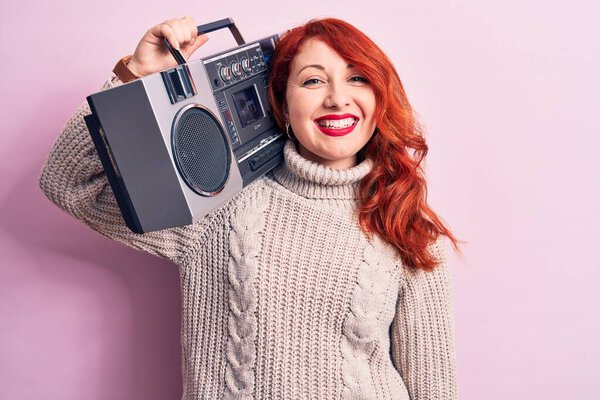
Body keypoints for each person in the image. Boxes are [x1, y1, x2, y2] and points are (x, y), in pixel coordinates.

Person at [39, 16, 462, 400]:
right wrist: (136, 75)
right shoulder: (218, 204)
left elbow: (434, 389)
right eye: (313, 81)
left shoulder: (407, 225)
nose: (337, 98)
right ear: (282, 102)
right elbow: (70, 182)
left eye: (358, 79)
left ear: (380, 97)